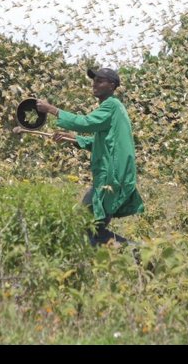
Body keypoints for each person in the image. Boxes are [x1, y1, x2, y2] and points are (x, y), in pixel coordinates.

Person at [36, 67, 144, 246]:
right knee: (91, 229)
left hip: (111, 178)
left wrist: (53, 110)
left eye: (100, 81)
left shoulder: (112, 105)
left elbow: (86, 123)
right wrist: (73, 139)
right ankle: (138, 256)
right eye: (94, 80)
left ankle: (139, 255)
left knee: (83, 226)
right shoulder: (112, 109)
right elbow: (103, 144)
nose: (94, 83)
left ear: (112, 85)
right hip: (112, 178)